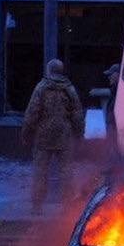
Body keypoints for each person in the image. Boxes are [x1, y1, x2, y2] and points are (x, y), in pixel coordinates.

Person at [21, 59, 85, 215]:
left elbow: (32, 113)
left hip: (43, 137)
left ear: (48, 70)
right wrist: (79, 134)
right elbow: (77, 114)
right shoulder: (69, 89)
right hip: (64, 136)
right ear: (61, 71)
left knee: (40, 172)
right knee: (66, 173)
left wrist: (26, 133)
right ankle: (67, 207)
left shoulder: (41, 88)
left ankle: (37, 207)